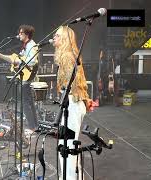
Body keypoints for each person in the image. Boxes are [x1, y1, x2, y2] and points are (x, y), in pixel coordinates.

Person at [52, 25, 91, 180]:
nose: (54, 38)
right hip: (72, 103)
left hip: (73, 104)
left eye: (57, 35)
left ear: (65, 39)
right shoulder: (67, 55)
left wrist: (81, 97)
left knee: (67, 146)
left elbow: (72, 83)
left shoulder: (67, 56)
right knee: (69, 145)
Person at [0, 24, 39, 132]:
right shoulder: (25, 45)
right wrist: (0, 55)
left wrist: (19, 61)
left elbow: (32, 61)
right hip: (24, 76)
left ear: (27, 34)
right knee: (29, 103)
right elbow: (15, 59)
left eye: (21, 33)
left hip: (26, 76)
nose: (19, 34)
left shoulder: (32, 45)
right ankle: (35, 126)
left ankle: (32, 127)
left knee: (25, 103)